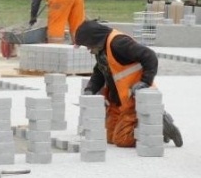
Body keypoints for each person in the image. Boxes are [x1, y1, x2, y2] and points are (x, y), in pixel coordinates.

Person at [75, 20, 182, 148]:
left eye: (87, 45)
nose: (88, 49)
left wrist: (145, 81)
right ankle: (151, 123)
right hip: (118, 101)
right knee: (109, 137)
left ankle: (157, 123)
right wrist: (90, 89)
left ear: (94, 39)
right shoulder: (102, 50)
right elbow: (99, 71)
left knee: (122, 139)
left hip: (132, 99)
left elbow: (149, 55)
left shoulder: (118, 43)